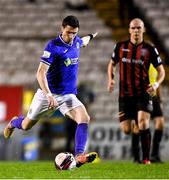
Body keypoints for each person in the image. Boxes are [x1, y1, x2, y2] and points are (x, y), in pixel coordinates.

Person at [4, 15, 98, 167]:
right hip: (47, 94)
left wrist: (92, 35)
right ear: (62, 29)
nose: (71, 36)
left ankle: (79, 155)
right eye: (68, 32)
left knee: (84, 118)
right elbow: (40, 74)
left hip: (67, 95)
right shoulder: (53, 47)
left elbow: (84, 41)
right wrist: (48, 95)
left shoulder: (77, 42)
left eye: (74, 33)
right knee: (27, 125)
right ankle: (14, 122)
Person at [107, 18, 165, 164]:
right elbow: (112, 64)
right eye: (133, 28)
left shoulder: (150, 49)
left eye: (139, 28)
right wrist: (111, 78)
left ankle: (146, 159)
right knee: (127, 129)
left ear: (143, 30)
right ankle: (136, 154)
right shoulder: (120, 47)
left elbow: (161, 71)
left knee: (143, 122)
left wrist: (157, 84)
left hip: (143, 93)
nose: (136, 31)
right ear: (129, 30)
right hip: (125, 95)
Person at [131, 64, 165, 163]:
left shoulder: (156, 64)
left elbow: (157, 83)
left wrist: (160, 100)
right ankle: (136, 157)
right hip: (141, 97)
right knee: (138, 127)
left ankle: (154, 155)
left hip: (154, 97)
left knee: (160, 123)